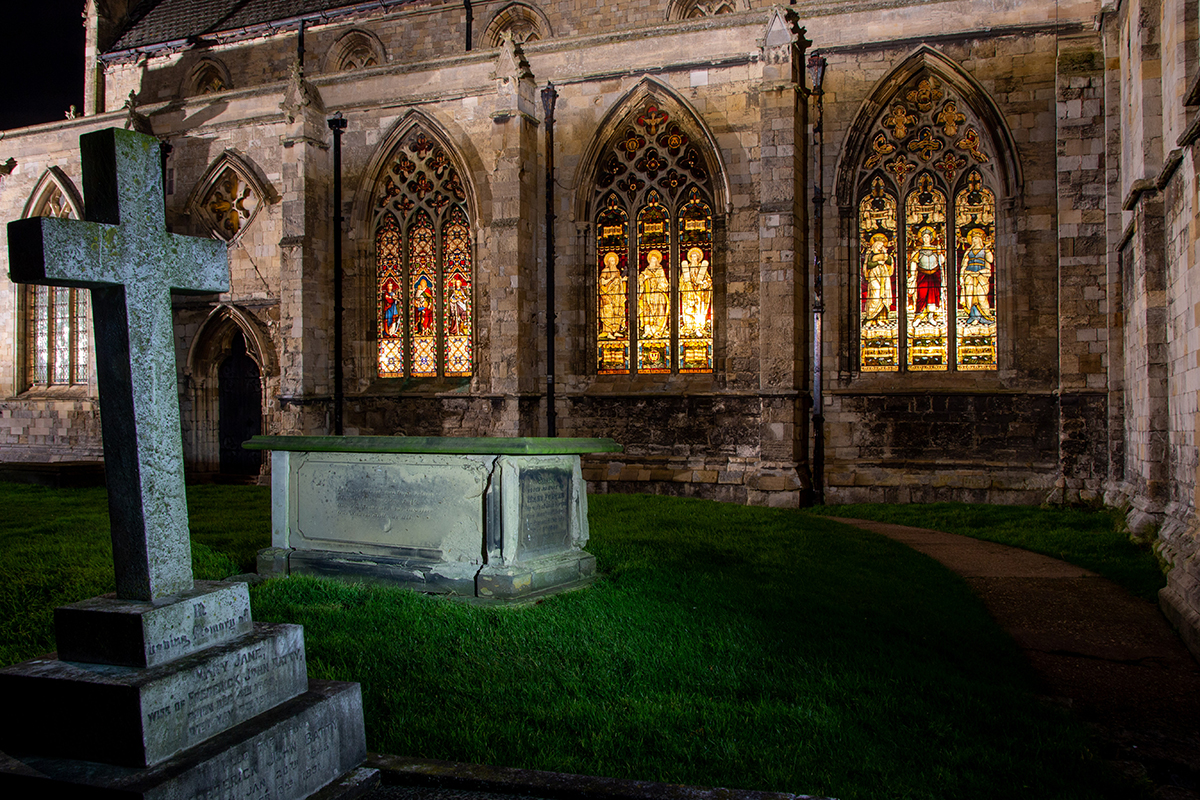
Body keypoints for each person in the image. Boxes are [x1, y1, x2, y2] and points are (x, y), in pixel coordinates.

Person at [908, 226, 944, 325]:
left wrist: (940, 252)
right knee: (921, 295)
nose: (925, 239)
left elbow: (942, 261)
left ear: (931, 238)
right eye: (924, 237)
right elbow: (913, 262)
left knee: (933, 295)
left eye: (927, 237)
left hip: (934, 275)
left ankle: (931, 316)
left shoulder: (935, 249)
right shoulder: (919, 250)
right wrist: (912, 274)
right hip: (922, 275)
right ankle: (919, 316)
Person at [959, 228, 995, 326]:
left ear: (980, 239)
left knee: (981, 296)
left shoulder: (984, 250)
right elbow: (964, 264)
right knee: (970, 295)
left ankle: (985, 316)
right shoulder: (969, 251)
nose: (973, 240)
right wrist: (962, 276)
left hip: (981, 275)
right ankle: (974, 316)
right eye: (972, 238)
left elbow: (990, 260)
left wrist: (987, 249)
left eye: (975, 238)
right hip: (969, 274)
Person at [678, 246, 712, 337]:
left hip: (699, 294)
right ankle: (689, 326)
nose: (694, 259)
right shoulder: (687, 269)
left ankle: (699, 327)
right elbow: (681, 282)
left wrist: (703, 283)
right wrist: (686, 286)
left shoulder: (702, 269)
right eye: (692, 257)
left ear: (698, 258)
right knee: (688, 309)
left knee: (699, 309)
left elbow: (708, 281)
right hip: (688, 293)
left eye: (695, 257)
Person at [861, 233, 894, 326]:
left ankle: (882, 318)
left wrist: (885, 254)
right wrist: (878, 262)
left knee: (884, 295)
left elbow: (889, 261)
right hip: (874, 276)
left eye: (883, 245)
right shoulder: (870, 254)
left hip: (884, 276)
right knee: (875, 294)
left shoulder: (885, 255)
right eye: (880, 245)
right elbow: (868, 265)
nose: (881, 247)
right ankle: (871, 317)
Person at [638, 249, 670, 340]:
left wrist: (656, 284)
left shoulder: (660, 270)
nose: (653, 261)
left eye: (655, 260)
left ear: (657, 261)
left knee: (659, 311)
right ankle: (648, 330)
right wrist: (644, 278)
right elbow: (640, 280)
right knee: (647, 311)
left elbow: (664, 282)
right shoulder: (646, 270)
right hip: (647, 294)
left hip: (658, 294)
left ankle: (657, 330)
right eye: (651, 259)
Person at [598, 251, 627, 338]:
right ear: (607, 262)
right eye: (610, 261)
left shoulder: (617, 271)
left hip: (617, 295)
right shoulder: (605, 270)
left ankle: (616, 330)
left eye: (614, 261)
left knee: (617, 311)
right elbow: (602, 282)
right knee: (608, 312)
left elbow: (618, 282)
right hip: (608, 295)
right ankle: (608, 332)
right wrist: (611, 278)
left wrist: (622, 280)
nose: (612, 263)